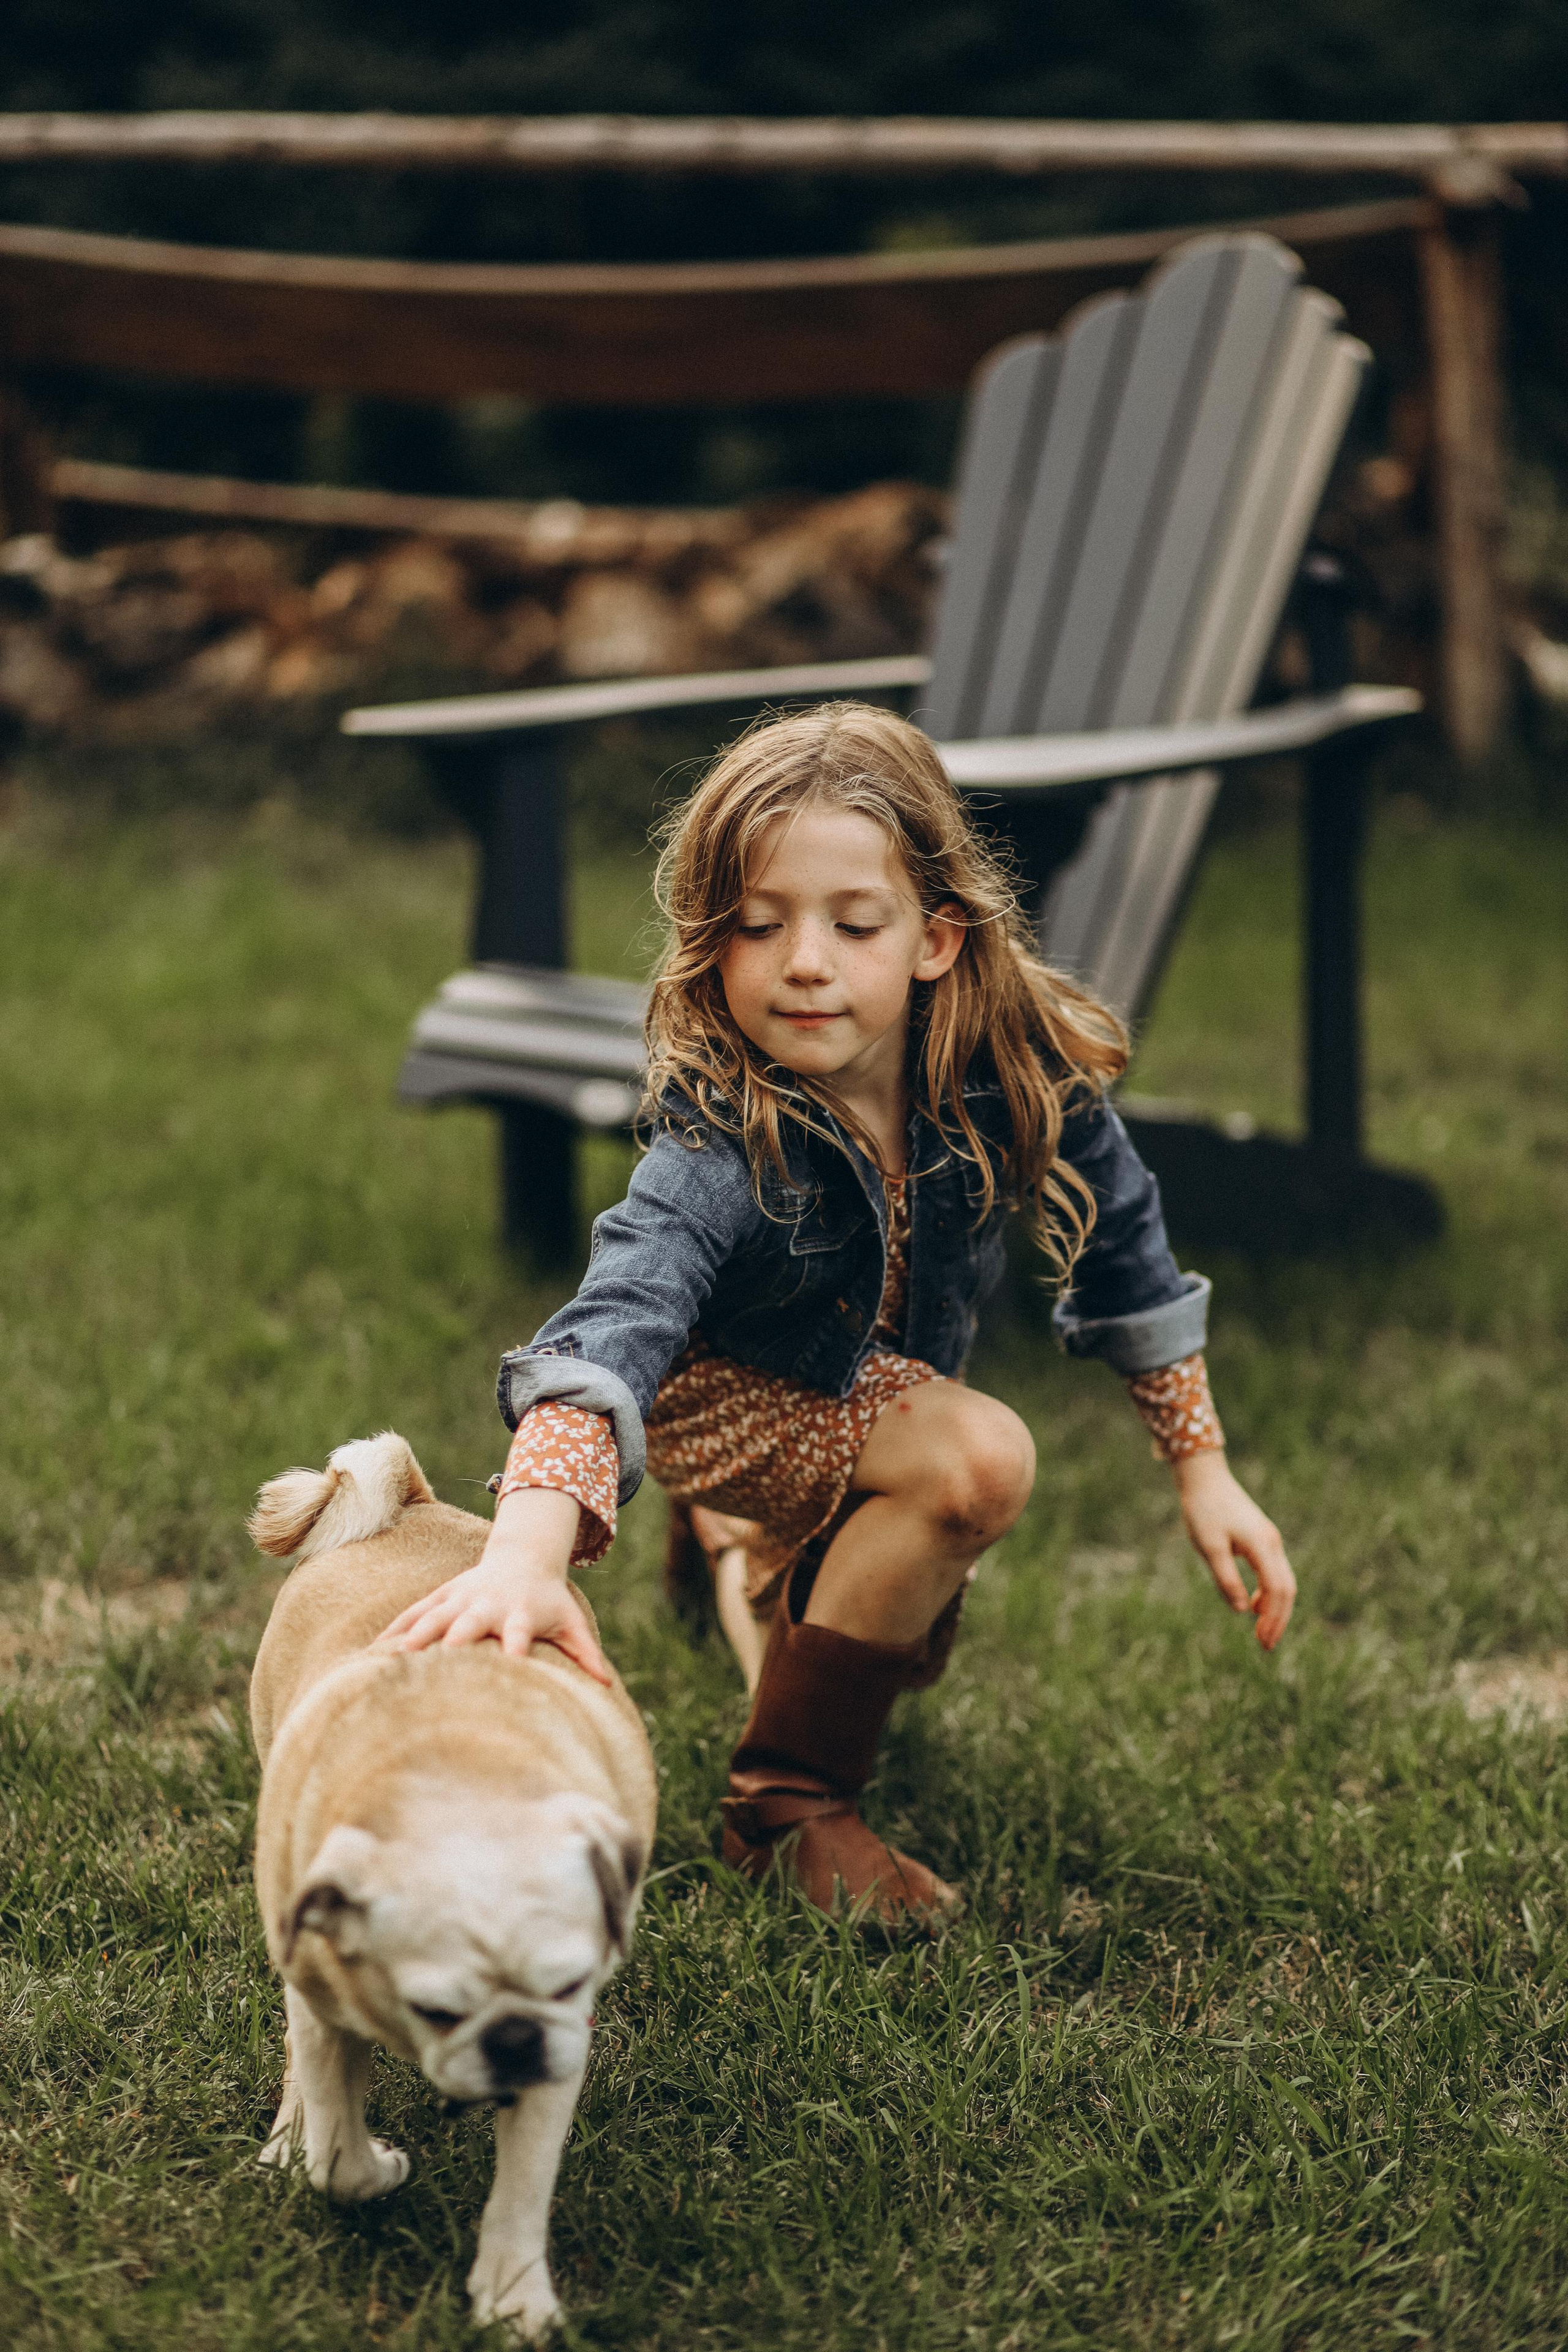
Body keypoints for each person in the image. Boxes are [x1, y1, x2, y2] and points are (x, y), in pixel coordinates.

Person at [377, 704, 1295, 1924]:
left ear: (934, 936)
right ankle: (787, 1808)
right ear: (713, 945)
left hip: (866, 1395)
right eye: (759, 926)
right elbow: (611, 1326)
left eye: (854, 924)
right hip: (718, 1397)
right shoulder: (719, 1137)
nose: (804, 961)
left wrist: (1203, 1469)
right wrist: (525, 1553)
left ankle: (727, 1545)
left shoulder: (1013, 1070)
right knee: (975, 1465)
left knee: (863, 1656)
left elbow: (1124, 1239)